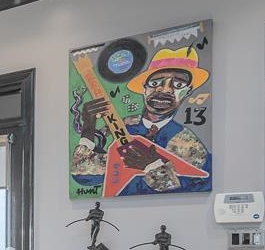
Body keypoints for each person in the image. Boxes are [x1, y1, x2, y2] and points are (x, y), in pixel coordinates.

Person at [79, 45, 212, 195]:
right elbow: (84, 177)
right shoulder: (117, 127)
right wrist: (88, 129)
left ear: (188, 91)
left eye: (178, 85)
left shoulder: (190, 144)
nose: (165, 90)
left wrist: (152, 166)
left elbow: (199, 188)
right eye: (155, 83)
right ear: (144, 88)